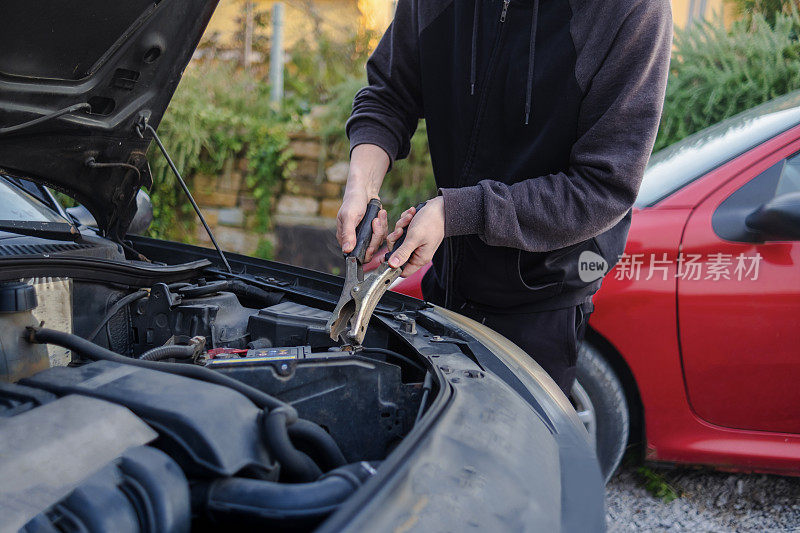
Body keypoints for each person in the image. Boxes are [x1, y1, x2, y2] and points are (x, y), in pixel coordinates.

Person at [336, 0, 672, 395]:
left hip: (542, 300)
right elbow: (389, 94)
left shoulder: (631, 11)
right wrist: (362, 184)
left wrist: (458, 213)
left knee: (518, 453)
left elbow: (603, 187)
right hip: (445, 287)